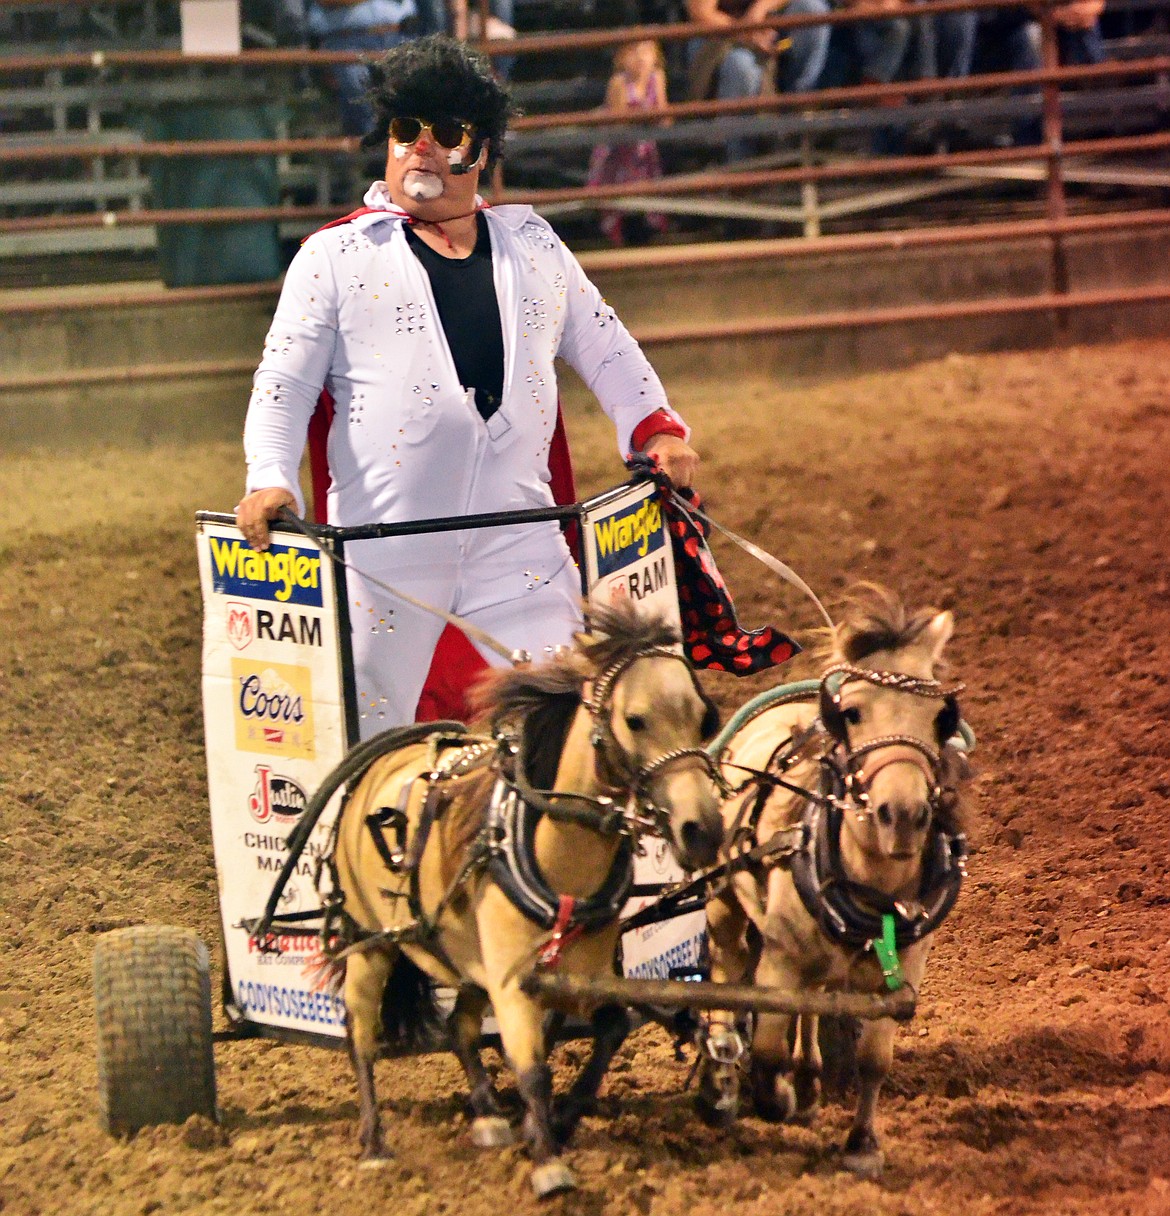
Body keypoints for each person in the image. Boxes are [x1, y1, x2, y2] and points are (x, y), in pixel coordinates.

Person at [235, 36, 701, 734]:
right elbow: (282, 381)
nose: (421, 147)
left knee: (565, 729)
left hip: (520, 544)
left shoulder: (533, 243)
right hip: (382, 556)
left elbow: (606, 347)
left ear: (480, 151)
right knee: (366, 737)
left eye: (445, 132)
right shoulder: (333, 256)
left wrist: (654, 425)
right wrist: (270, 476)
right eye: (404, 130)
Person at [685, 0, 832, 160]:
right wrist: (746, 32)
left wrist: (758, 10)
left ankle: (798, 112)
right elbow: (701, 14)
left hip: (765, 25)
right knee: (742, 66)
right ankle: (735, 158)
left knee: (812, 10)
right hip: (717, 36)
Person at [586, 38, 671, 246]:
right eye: (633, 52)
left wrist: (655, 118)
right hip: (618, 149)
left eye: (647, 51)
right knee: (621, 175)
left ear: (656, 58)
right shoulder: (619, 82)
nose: (641, 57)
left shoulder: (657, 78)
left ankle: (650, 226)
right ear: (622, 59)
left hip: (644, 145)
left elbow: (664, 115)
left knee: (648, 171)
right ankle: (618, 227)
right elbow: (619, 123)